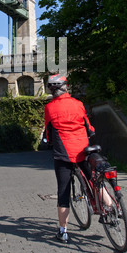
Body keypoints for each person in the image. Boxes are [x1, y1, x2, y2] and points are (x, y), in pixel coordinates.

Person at [44, 74, 96, 243]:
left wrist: (50, 141)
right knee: (93, 180)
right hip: (82, 150)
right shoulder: (78, 104)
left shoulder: (50, 108)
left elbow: (48, 132)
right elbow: (88, 126)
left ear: (52, 90)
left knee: (63, 192)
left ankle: (63, 231)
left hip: (63, 154)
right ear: (66, 87)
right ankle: (110, 208)